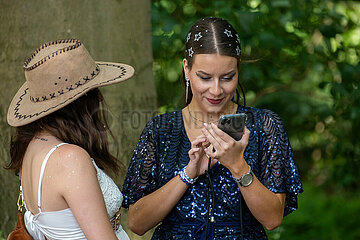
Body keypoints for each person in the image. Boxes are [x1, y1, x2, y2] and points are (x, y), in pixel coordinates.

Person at [122, 17, 303, 239]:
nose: (216, 90)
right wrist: (189, 173)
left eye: (227, 77)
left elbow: (273, 219)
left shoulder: (265, 126)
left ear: (238, 70)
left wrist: (238, 166)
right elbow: (137, 223)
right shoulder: (160, 130)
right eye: (205, 77)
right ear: (187, 69)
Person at [6, 39, 134, 240]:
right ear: (83, 101)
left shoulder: (31, 148)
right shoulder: (70, 158)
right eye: (95, 91)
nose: (100, 99)